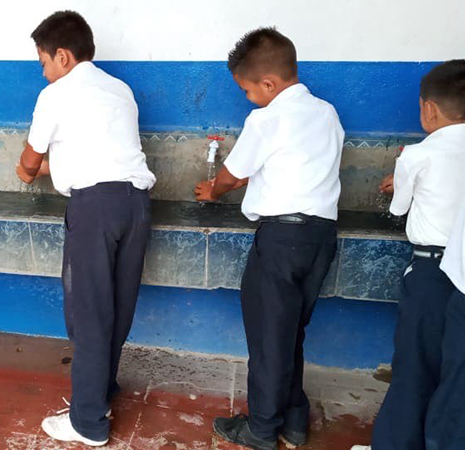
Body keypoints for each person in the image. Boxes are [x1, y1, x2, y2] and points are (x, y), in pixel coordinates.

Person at [195, 27, 344, 450]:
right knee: (290, 333)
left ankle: (261, 430)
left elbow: (235, 172)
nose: (247, 98)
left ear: (268, 83)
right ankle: (295, 421)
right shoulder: (327, 113)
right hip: (320, 237)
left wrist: (213, 190)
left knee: (267, 340)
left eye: (246, 90)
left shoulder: (266, 118)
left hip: (281, 239)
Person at [16, 10, 156, 447]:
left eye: (42, 62)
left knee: (89, 314)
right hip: (135, 206)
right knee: (116, 306)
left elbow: (28, 164)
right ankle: (102, 390)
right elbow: (98, 154)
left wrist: (25, 172)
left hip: (94, 210)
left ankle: (89, 423)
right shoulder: (121, 90)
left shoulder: (56, 95)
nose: (43, 72)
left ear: (62, 56)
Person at [352, 60, 465, 450]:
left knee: (415, 365)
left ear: (428, 109)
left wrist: (400, 184)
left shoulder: (418, 154)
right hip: (460, 273)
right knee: (454, 375)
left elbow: (398, 208)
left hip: (432, 270)